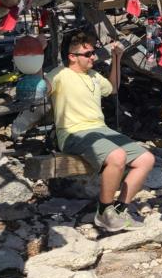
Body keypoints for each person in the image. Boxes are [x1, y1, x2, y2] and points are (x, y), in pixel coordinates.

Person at [48, 33, 155, 232]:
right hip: (73, 133)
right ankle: (104, 213)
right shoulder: (60, 75)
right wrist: (34, 58)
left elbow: (113, 88)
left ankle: (119, 210)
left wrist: (117, 58)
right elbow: (41, 88)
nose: (93, 57)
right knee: (117, 156)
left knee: (146, 159)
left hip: (101, 131)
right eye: (88, 54)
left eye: (94, 53)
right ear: (72, 56)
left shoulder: (94, 76)